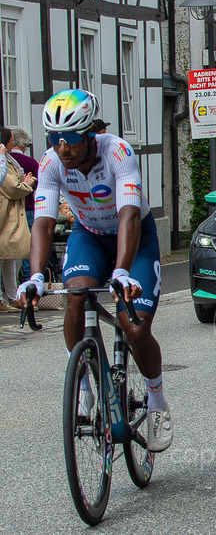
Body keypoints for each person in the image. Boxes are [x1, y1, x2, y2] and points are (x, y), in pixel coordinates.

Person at [18, 89, 174, 452]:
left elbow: (129, 215)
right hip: (88, 234)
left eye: (70, 139)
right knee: (76, 296)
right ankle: (85, 382)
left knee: (134, 326)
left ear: (90, 134)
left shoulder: (117, 153)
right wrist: (37, 276)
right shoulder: (50, 164)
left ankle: (156, 402)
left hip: (133, 236)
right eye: (55, 139)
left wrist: (121, 272)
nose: (63, 148)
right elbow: (42, 221)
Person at [0, 137, 34, 311]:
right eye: (11, 141)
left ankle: (12, 297)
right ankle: (2, 299)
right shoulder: (2, 159)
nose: (12, 144)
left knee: (9, 258)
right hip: (4, 214)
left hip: (10, 214)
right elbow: (10, 187)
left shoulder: (9, 159)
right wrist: (26, 185)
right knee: (3, 256)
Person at [3, 128, 37, 283]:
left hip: (17, 209)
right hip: (19, 210)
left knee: (11, 254)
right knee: (22, 249)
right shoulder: (29, 162)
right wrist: (27, 184)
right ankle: (28, 278)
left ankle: (12, 293)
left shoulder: (11, 160)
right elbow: (13, 188)